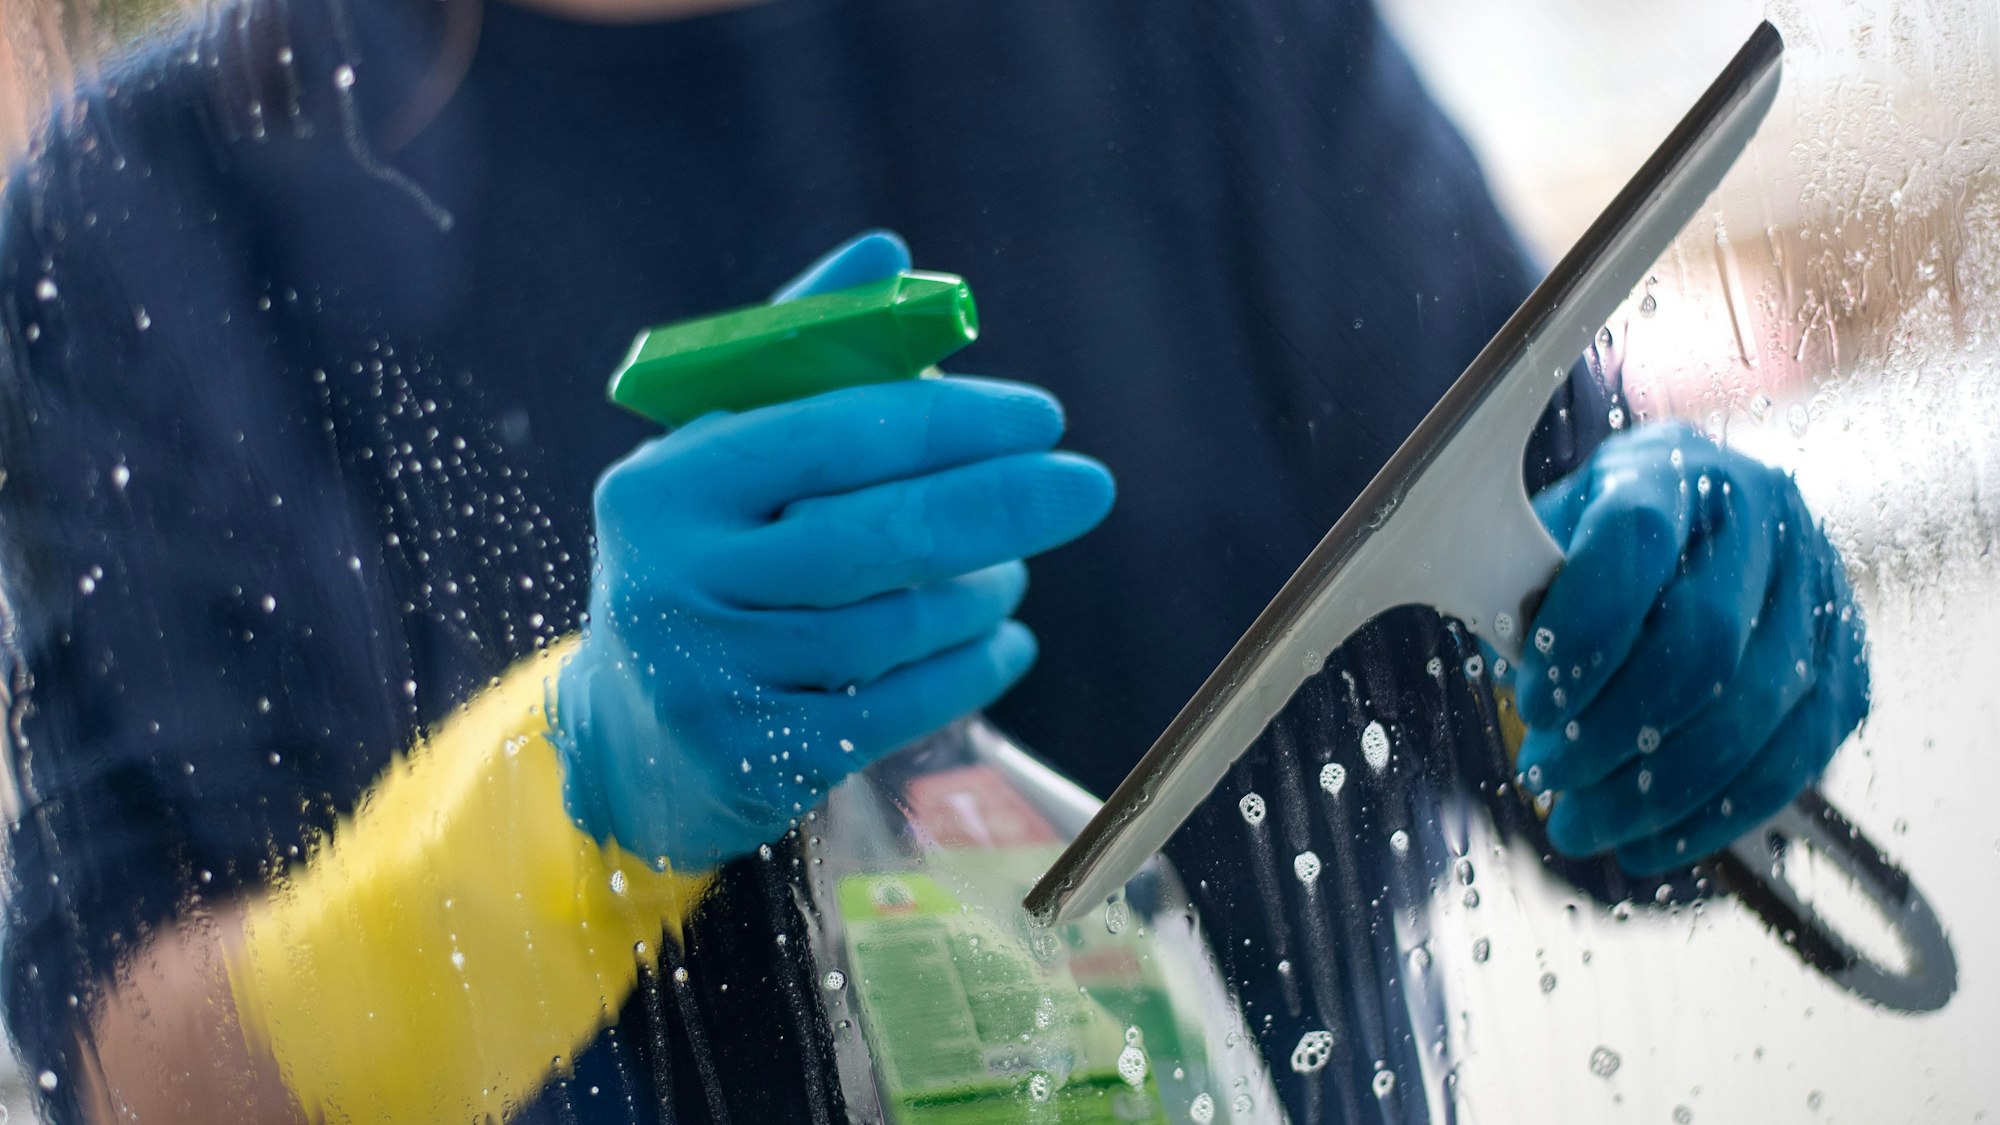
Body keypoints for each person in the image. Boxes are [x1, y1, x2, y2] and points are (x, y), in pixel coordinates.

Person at [0, 0, 1868, 1120]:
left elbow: (1534, 623)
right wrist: (577, 810)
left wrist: (1678, 650)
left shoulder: (1192, 36)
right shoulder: (151, 229)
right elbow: (155, 1073)